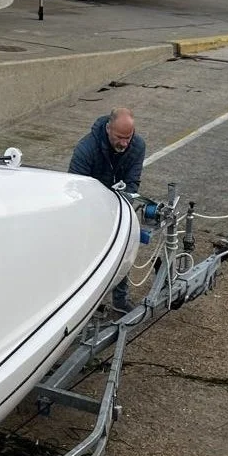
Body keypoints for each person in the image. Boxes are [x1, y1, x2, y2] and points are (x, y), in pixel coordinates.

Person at [69, 107, 145, 313]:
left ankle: (120, 299)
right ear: (108, 129)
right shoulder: (86, 149)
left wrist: (120, 206)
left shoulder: (137, 146)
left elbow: (132, 183)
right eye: (120, 137)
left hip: (118, 204)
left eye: (128, 138)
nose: (124, 143)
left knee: (123, 246)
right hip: (90, 207)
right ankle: (83, 302)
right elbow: (76, 186)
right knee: (87, 254)